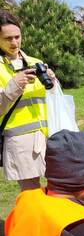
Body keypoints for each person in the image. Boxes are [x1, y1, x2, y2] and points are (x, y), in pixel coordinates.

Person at [0, 11, 56, 191]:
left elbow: (50, 100)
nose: (14, 42)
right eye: (8, 38)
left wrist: (53, 82)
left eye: (17, 37)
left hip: (47, 136)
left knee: (57, 187)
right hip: (20, 141)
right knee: (31, 192)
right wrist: (13, 86)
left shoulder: (35, 62)